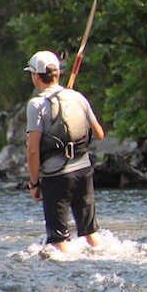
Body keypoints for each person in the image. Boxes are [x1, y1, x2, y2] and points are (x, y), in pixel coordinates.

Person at [24, 50, 106, 252]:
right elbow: (99, 134)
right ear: (57, 74)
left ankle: (69, 271)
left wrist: (34, 183)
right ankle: (107, 257)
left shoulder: (36, 105)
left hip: (56, 177)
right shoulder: (77, 97)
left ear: (36, 76)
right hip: (83, 172)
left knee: (59, 240)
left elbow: (33, 151)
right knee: (90, 232)